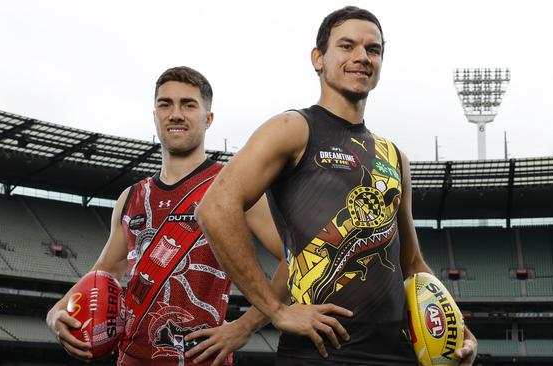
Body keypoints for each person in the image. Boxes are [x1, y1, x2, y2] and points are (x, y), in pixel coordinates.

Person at [195, 6, 478, 366]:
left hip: (399, 355)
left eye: (373, 50)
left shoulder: (395, 157)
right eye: (347, 46)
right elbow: (215, 208)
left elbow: (413, 264)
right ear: (318, 58)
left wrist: (454, 324)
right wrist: (275, 310)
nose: (361, 57)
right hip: (319, 354)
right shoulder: (292, 129)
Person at [47, 66, 293, 366]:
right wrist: (54, 313)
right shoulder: (130, 197)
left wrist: (245, 326)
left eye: (188, 105)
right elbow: (105, 270)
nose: (175, 114)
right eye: (165, 104)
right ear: (155, 116)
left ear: (208, 118)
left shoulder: (233, 187)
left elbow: (294, 257)